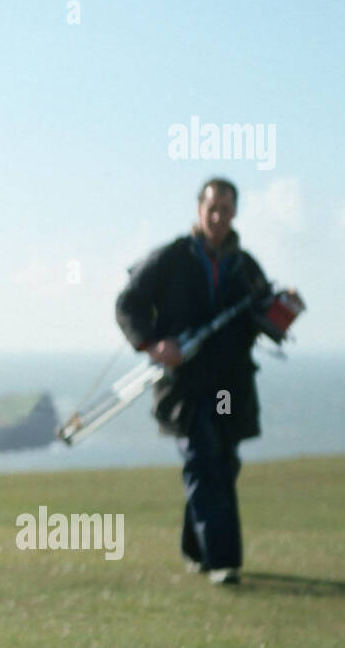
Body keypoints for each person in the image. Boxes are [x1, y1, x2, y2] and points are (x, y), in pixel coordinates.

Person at [115, 178, 272, 586]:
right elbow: (128, 303)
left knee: (223, 465)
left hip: (230, 387)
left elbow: (264, 312)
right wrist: (151, 343)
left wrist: (283, 310)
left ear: (235, 212)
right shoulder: (171, 257)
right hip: (186, 385)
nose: (218, 216)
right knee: (202, 461)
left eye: (226, 208)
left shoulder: (246, 265)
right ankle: (223, 562)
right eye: (212, 207)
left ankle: (195, 548)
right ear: (199, 210)